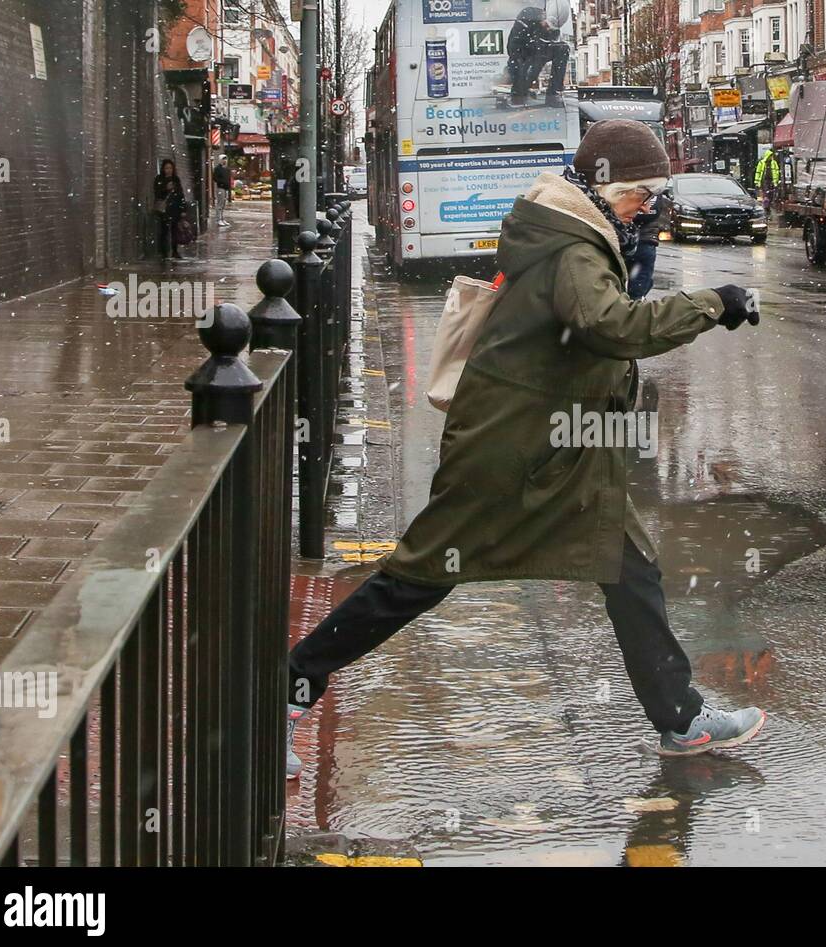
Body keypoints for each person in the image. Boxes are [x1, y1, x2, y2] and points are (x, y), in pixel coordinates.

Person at [285, 119, 765, 776]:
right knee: (418, 579)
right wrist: (714, 302)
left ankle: (680, 720)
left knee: (631, 571)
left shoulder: (581, 230)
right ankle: (290, 686)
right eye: (644, 192)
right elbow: (608, 325)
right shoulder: (572, 246)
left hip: (557, 448)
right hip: (510, 447)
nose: (651, 205)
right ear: (609, 183)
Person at [507, 4, 570, 108]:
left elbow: (549, 47)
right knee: (521, 84)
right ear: (544, 14)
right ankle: (519, 91)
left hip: (539, 54)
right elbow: (513, 49)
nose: (548, 29)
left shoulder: (553, 29)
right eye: (546, 25)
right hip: (521, 55)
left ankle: (553, 93)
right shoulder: (527, 16)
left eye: (550, 28)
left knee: (563, 48)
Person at [627, 190, 669, 299]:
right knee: (639, 287)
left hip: (630, 240)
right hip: (646, 241)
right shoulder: (654, 189)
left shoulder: (629, 186)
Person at [153, 159, 187, 261]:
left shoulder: (176, 179)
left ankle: (174, 251)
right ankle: (163, 252)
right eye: (167, 168)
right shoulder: (159, 179)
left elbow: (181, 194)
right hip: (164, 209)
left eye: (170, 168)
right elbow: (157, 193)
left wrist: (183, 209)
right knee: (164, 231)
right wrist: (165, 188)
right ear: (163, 169)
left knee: (174, 230)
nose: (168, 170)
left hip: (174, 209)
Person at [754, 148, 781, 214]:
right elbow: (758, 172)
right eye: (770, 156)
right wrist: (757, 182)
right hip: (764, 181)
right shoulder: (762, 163)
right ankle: (767, 208)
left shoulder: (773, 163)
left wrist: (776, 181)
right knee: (766, 195)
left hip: (771, 181)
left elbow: (776, 172)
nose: (771, 157)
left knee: (770, 195)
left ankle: (768, 206)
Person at [213, 155, 232, 227]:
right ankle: (218, 219)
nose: (225, 161)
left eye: (226, 159)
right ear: (220, 160)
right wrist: (221, 182)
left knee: (223, 204)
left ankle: (222, 218)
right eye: (223, 159)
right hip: (220, 188)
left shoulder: (227, 169)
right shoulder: (217, 168)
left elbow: (228, 178)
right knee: (220, 204)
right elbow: (215, 178)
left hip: (226, 188)